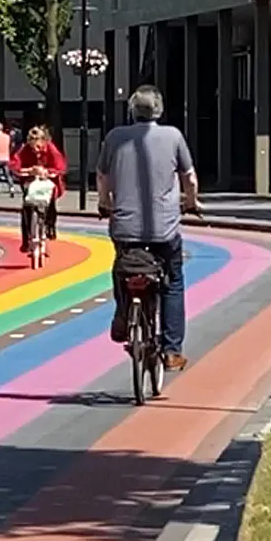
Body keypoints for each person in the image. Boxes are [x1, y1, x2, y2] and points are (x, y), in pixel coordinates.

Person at [96, 85, 200, 372]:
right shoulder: (173, 136)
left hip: (125, 227)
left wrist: (105, 203)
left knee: (122, 267)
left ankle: (122, 313)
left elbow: (103, 176)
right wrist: (191, 202)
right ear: (160, 110)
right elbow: (188, 177)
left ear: (132, 110)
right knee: (173, 282)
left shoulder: (115, 137)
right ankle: (171, 349)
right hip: (164, 230)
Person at [13, 125, 68, 254]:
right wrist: (27, 170)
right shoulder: (25, 150)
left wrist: (47, 171)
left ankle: (50, 227)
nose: (35, 150)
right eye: (32, 146)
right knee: (26, 207)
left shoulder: (51, 149)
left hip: (48, 181)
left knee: (50, 203)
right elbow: (16, 163)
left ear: (43, 141)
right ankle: (26, 240)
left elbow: (60, 166)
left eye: (38, 146)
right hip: (31, 181)